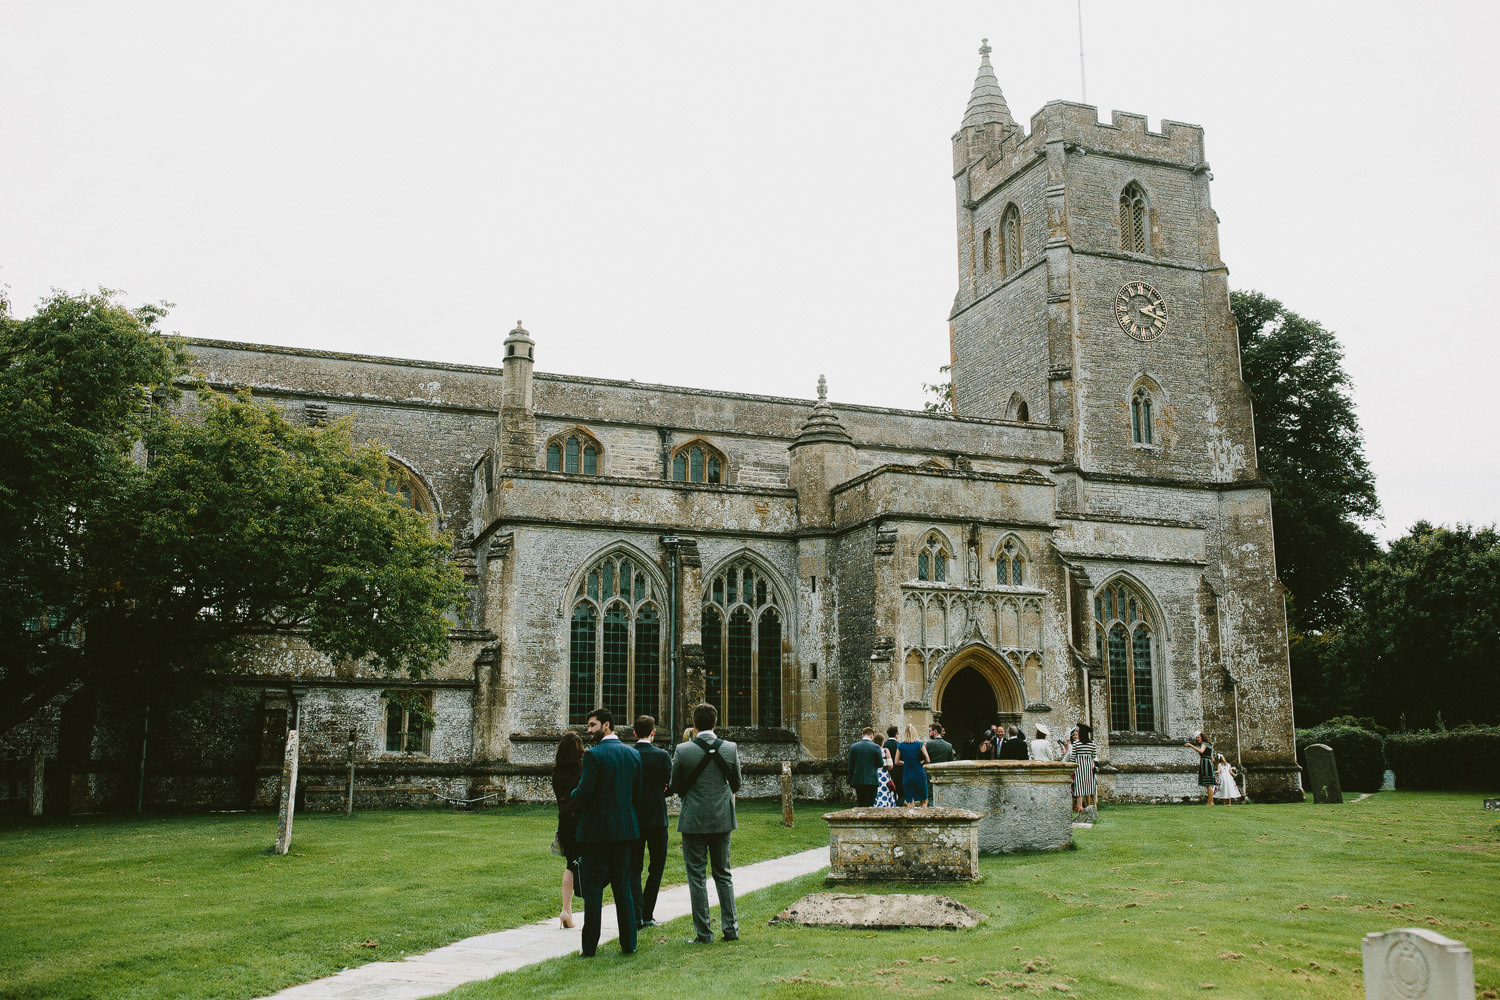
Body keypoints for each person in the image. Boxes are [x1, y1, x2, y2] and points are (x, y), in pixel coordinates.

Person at [569, 708, 641, 957]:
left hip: (596, 834)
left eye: (592, 725)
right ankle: (629, 942)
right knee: (623, 887)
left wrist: (572, 794)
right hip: (624, 832)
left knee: (593, 890)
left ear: (606, 725)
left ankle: (589, 947)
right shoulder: (633, 755)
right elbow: (636, 795)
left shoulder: (594, 756)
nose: (588, 731)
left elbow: (584, 794)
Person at [671, 702, 742, 944]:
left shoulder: (683, 750)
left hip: (693, 820)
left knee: (697, 878)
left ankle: (704, 934)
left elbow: (676, 786)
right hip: (722, 818)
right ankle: (731, 929)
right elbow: (737, 784)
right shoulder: (730, 749)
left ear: (694, 724)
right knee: (723, 874)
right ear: (715, 723)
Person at [630, 715, 672, 928]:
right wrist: (659, 791)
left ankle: (637, 915)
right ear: (653, 732)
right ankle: (647, 913)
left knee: (634, 867)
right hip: (657, 818)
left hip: (634, 818)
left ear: (635, 732)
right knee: (656, 868)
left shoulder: (629, 754)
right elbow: (669, 784)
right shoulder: (662, 756)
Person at [551, 731, 586, 929]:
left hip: (564, 821)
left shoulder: (557, 771)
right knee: (583, 864)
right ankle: (571, 910)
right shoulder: (582, 769)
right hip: (580, 820)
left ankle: (567, 909)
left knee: (570, 864)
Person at [1065, 723, 1098, 815]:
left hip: (1079, 766)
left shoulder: (1076, 744)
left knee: (1079, 786)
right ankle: (1094, 804)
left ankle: (1080, 806)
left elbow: (1073, 757)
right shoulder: (1092, 744)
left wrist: (1071, 768)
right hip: (1089, 766)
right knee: (1091, 785)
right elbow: (1094, 756)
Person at [848, 727, 884, 806]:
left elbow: (851, 766)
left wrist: (850, 781)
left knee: (861, 803)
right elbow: (880, 763)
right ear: (872, 736)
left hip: (858, 779)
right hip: (871, 780)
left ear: (862, 735)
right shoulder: (876, 747)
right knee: (870, 804)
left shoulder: (853, 747)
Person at [896, 724, 931, 806]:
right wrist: (922, 762)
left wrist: (904, 763)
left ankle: (910, 816)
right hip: (919, 773)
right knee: (924, 800)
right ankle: (923, 817)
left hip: (907, 774)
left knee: (909, 800)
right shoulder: (920, 744)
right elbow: (928, 760)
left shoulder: (900, 745)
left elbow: (896, 762)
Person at [1185, 731, 1216, 806]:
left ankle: (1211, 802)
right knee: (1208, 784)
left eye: (1198, 737)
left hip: (1205, 762)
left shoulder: (1204, 744)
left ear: (1202, 737)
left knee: (1208, 784)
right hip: (1208, 762)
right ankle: (1210, 802)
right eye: (1196, 738)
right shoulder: (1208, 744)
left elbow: (1201, 751)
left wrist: (1191, 745)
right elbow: (1212, 758)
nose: (1197, 739)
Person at [884, 725, 904, 795]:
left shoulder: (884, 745)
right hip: (899, 772)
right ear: (896, 734)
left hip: (887, 773)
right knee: (901, 794)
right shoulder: (899, 745)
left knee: (891, 794)